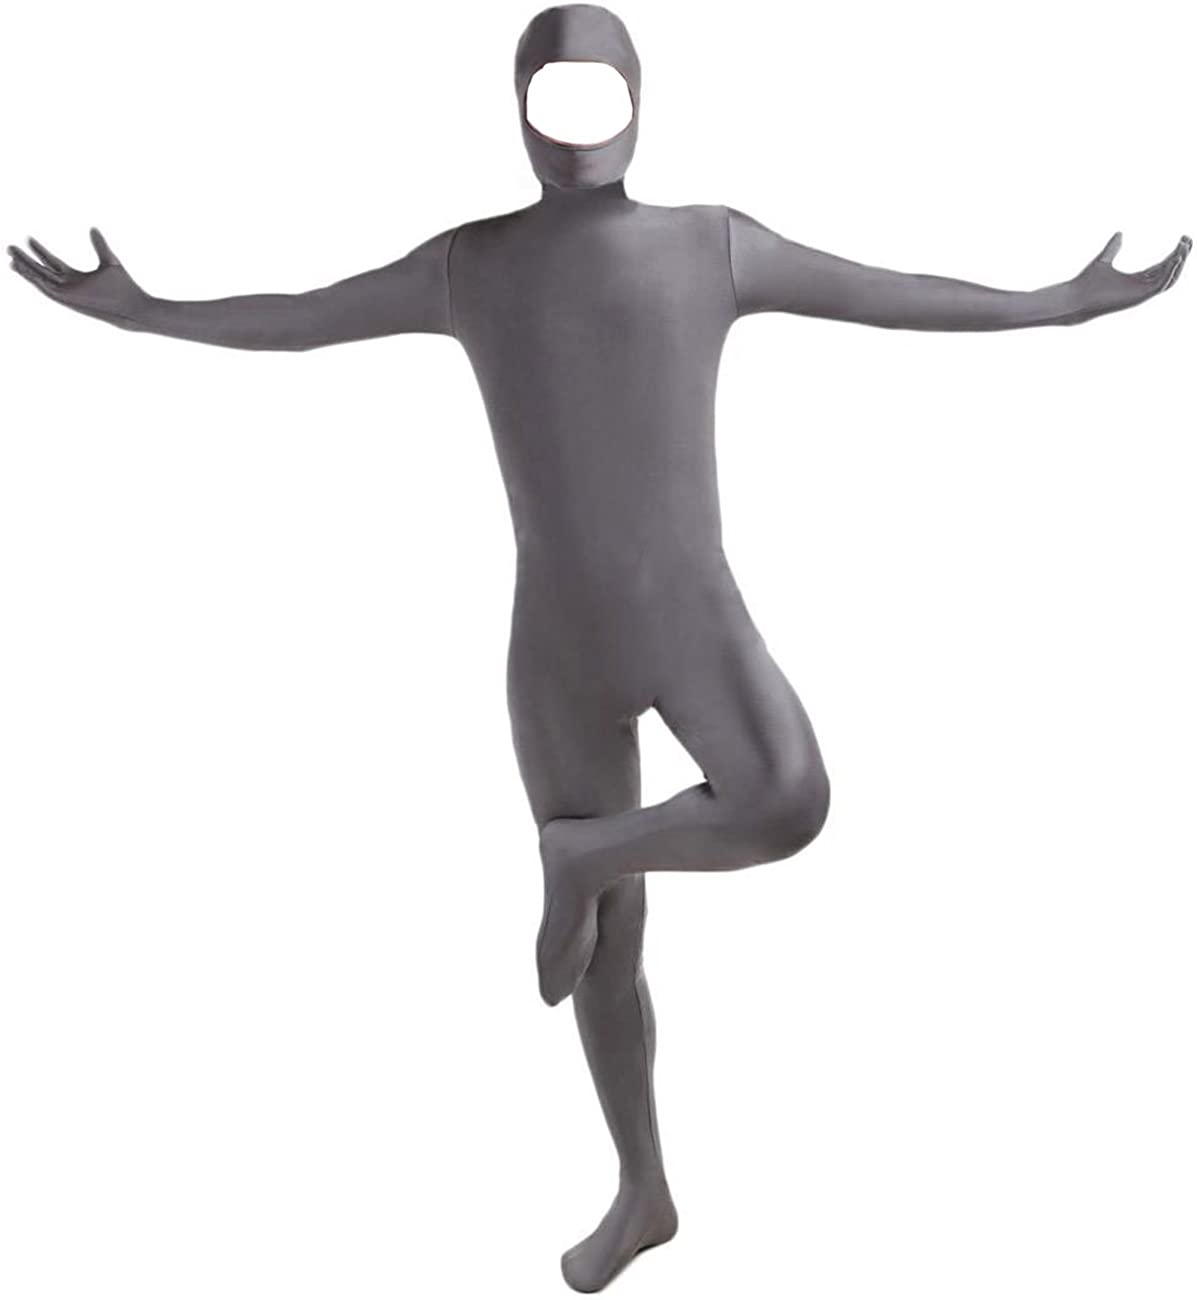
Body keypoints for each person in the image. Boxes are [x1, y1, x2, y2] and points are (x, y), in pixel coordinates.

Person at [9, 4, 1189, 1292]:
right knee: (611, 957)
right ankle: (642, 1189)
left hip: (689, 618)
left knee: (788, 800)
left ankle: (585, 855)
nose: (576, 127)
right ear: (515, 113)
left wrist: (1060, 303)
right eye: (551, 98)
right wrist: (144, 312)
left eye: (599, 95)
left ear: (641, 100)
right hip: (557, 649)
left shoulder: (712, 245)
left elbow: (889, 293)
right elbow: (300, 315)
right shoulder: (468, 265)